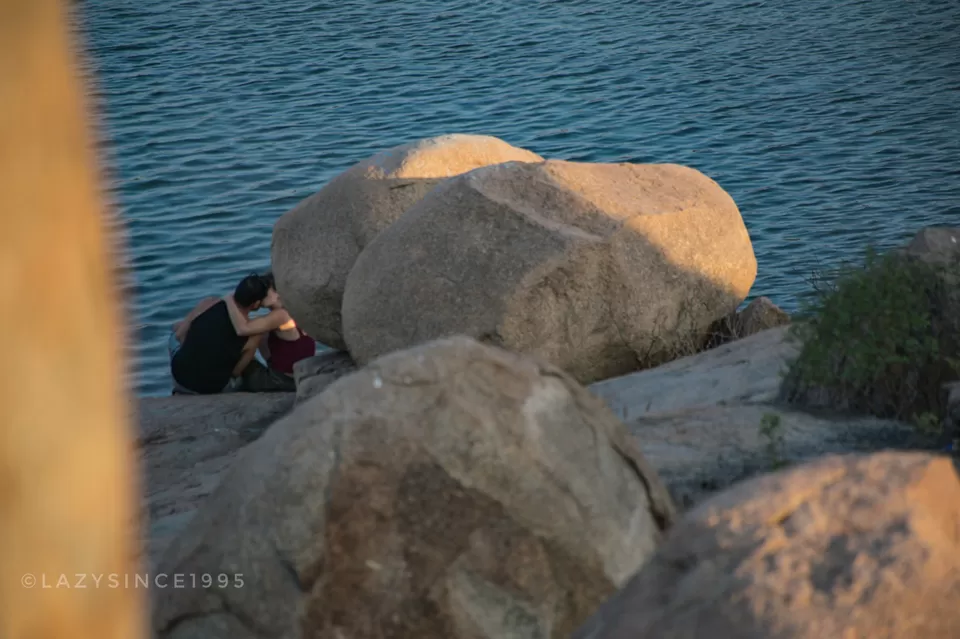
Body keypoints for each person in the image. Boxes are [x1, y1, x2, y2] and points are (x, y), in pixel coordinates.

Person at [168, 274, 277, 394]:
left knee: (175, 333)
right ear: (256, 304)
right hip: (209, 389)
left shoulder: (208, 303)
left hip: (180, 377)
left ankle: (182, 383)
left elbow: (180, 336)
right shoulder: (253, 334)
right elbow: (236, 372)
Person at [221, 271, 316, 392]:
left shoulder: (282, 316)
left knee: (246, 344)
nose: (261, 292)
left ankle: (232, 380)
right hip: (299, 376)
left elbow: (242, 329)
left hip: (283, 380)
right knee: (260, 331)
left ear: (277, 293)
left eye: (266, 289)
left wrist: (230, 300)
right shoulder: (294, 310)